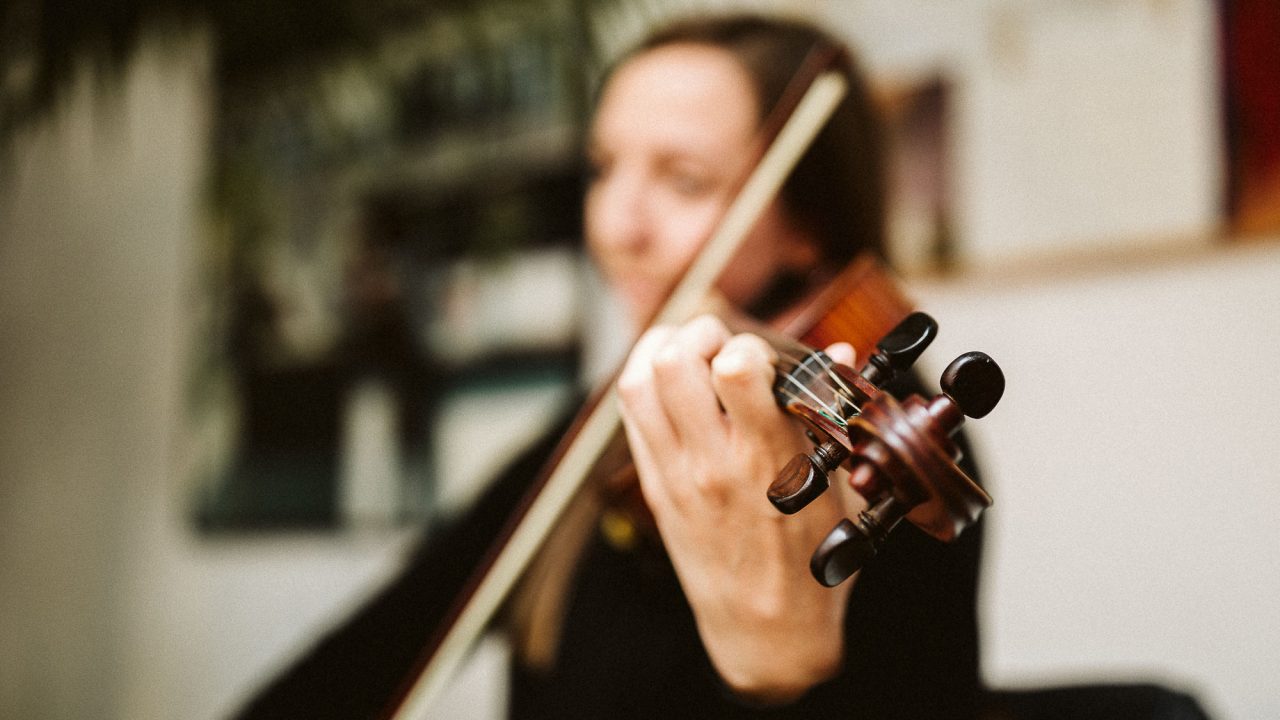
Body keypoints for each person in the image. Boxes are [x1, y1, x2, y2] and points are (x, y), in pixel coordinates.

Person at [236, 13, 984, 720]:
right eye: (603, 169)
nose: (617, 227)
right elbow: (381, 645)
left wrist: (778, 674)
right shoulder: (613, 417)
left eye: (684, 180)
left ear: (808, 224)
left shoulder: (878, 456)